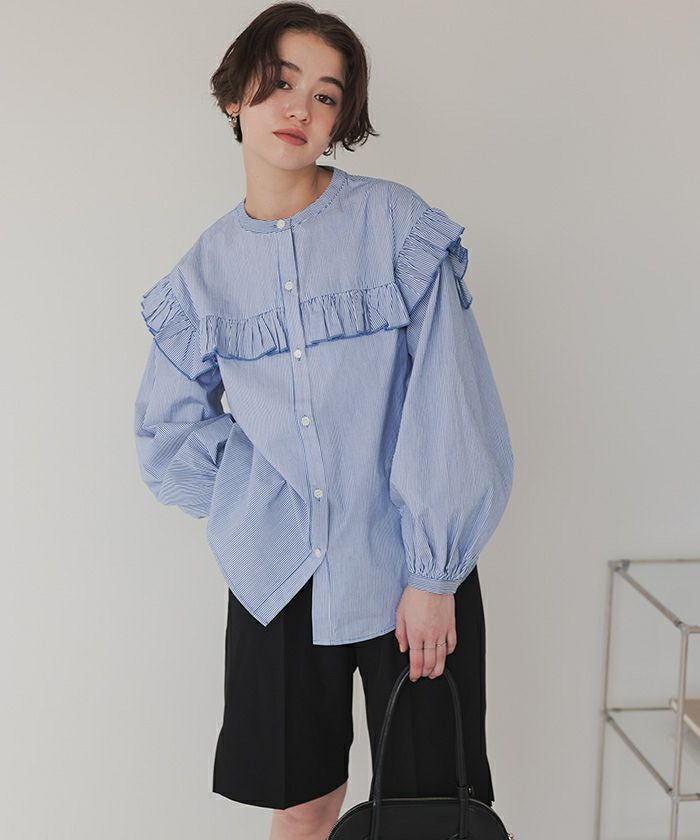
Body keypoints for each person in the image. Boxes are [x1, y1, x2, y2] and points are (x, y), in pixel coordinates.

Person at [133, 3, 515, 838]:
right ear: (234, 95)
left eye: (326, 95)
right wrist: (255, 494)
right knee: (302, 809)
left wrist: (434, 575)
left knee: (424, 812)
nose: (299, 108)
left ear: (342, 119)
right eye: (279, 83)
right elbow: (165, 435)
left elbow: (451, 401)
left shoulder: (396, 227)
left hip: (411, 569)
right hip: (276, 579)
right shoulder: (202, 275)